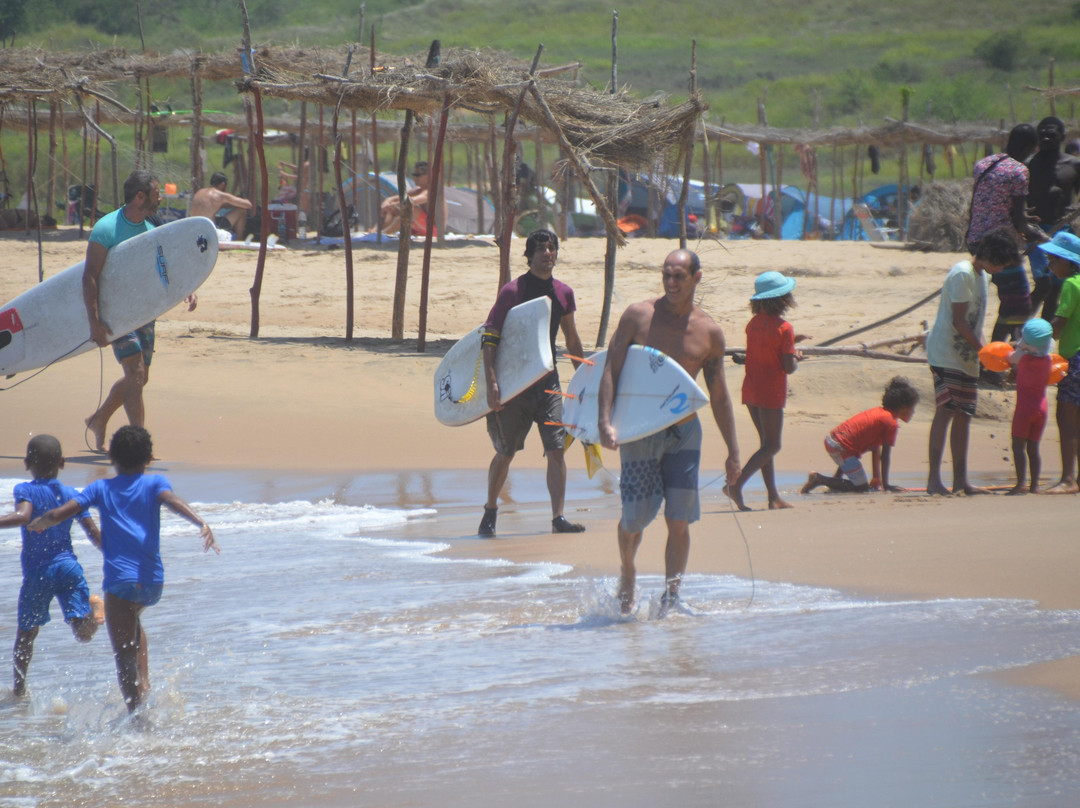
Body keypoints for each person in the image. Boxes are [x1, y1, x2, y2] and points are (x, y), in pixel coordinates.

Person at [28, 426, 218, 713]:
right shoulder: (156, 483)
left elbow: (61, 513)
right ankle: (145, 683)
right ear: (150, 458)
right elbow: (173, 503)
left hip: (119, 584)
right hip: (152, 584)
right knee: (133, 621)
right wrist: (200, 522)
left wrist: (39, 523)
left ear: (111, 457)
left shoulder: (100, 488)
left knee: (122, 657)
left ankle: (137, 719)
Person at [597, 249, 741, 615]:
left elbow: (719, 394)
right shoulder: (638, 316)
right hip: (640, 431)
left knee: (678, 519)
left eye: (679, 276)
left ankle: (671, 597)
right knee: (635, 518)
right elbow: (611, 368)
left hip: (684, 434)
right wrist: (604, 420)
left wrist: (733, 451)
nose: (672, 283)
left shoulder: (709, 333)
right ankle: (628, 571)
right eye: (667, 276)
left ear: (697, 278)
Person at [478, 229, 586, 537]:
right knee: (506, 452)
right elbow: (490, 336)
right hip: (515, 384)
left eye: (551, 248)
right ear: (529, 255)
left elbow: (572, 338)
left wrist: (584, 380)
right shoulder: (513, 291)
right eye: (540, 249)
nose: (547, 254)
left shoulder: (563, 293)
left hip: (548, 382)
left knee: (556, 450)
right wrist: (492, 382)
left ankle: (558, 518)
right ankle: (490, 510)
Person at [83, 171, 198, 453]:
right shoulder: (107, 229)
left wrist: (185, 287)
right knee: (134, 373)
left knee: (141, 377)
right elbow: (90, 276)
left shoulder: (153, 224)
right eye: (156, 192)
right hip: (116, 312)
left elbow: (164, 261)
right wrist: (95, 321)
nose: (161, 196)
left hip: (145, 309)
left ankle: (98, 419)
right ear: (140, 196)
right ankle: (139, 447)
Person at [0, 435, 103, 698]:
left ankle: (19, 692)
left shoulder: (25, 489)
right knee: (82, 634)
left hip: (39, 574)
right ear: (63, 463)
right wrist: (116, 556)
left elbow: (23, 516)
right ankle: (97, 609)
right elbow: (93, 534)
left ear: (26, 463)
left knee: (26, 636)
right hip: (69, 567)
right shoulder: (72, 495)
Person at [925, 228, 1021, 496]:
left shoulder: (983, 277)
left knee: (964, 415)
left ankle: (960, 481)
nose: (1001, 269)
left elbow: (976, 322)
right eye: (1001, 262)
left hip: (966, 358)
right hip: (945, 354)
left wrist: (989, 353)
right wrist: (983, 351)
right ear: (989, 255)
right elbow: (959, 321)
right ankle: (934, 480)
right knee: (946, 411)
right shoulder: (962, 273)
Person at [724, 271, 802, 511]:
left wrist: (792, 344)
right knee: (772, 446)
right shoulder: (784, 328)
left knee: (765, 444)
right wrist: (797, 356)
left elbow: (768, 346)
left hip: (751, 389)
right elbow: (788, 367)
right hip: (770, 392)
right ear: (783, 299)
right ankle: (736, 486)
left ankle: (773, 497)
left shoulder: (753, 324)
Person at [965, 125, 1040, 356]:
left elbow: (993, 202)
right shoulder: (1019, 171)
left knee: (1009, 302)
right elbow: (1019, 222)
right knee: (1018, 304)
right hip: (1000, 247)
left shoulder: (983, 164)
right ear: (1028, 147)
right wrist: (1042, 237)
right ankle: (995, 358)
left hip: (976, 240)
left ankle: (999, 355)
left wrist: (1022, 217)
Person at [801, 376, 919, 495]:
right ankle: (819, 479)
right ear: (903, 408)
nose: (913, 413)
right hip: (841, 447)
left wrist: (876, 478)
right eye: (912, 409)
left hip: (833, 440)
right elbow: (885, 456)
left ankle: (834, 483)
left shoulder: (880, 413)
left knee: (851, 455)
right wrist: (886, 485)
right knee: (861, 488)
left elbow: (875, 448)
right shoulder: (891, 423)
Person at [1027, 117, 1080, 321]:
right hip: (1037, 231)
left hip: (1063, 229)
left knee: (1057, 286)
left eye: (1052, 134)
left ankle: (1045, 334)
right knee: (1043, 284)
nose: (1046, 138)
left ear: (1063, 137)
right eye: (1042, 134)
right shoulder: (1029, 164)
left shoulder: (1074, 165)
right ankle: (1020, 326)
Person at [1043, 232, 1080, 493]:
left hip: (1075, 357)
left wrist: (1028, 341)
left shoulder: (1071, 285)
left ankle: (1068, 479)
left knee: (1066, 417)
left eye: (1053, 259)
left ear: (1069, 261)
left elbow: (1059, 325)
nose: (1050, 264)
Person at [1005, 318, 1054, 495]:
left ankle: (1020, 484)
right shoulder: (1048, 359)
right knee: (1034, 448)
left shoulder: (1022, 357)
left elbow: (1008, 357)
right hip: (1042, 409)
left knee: (1018, 446)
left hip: (1024, 409)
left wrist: (1017, 346)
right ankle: (1035, 485)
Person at [378, 161, 445, 237]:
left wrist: (394, 205)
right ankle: (376, 232)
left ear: (428, 176)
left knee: (410, 209)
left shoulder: (431, 191)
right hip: (421, 228)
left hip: (434, 231)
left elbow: (412, 201)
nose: (415, 178)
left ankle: (383, 234)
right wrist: (387, 203)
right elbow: (395, 198)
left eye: (417, 175)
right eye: (414, 175)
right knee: (391, 209)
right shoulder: (418, 190)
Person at [189, 171, 253, 239]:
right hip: (209, 229)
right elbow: (248, 205)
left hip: (194, 226)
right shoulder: (220, 195)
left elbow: (214, 206)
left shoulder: (199, 192)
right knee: (242, 210)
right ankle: (239, 240)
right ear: (222, 184)